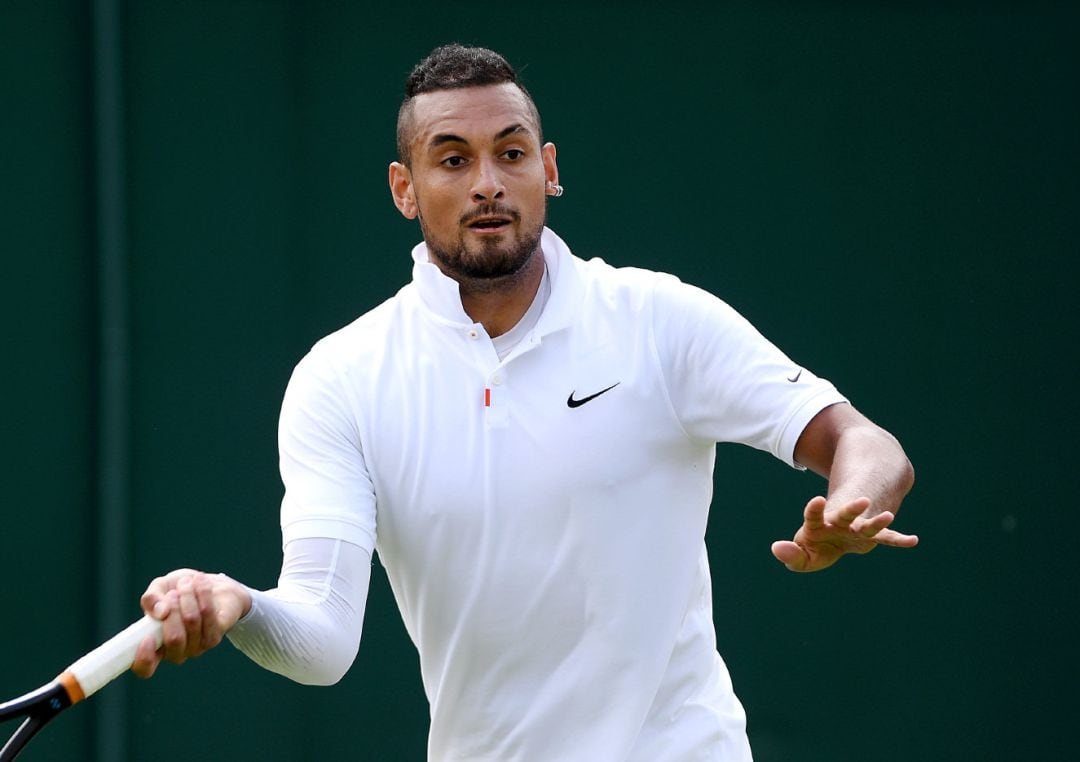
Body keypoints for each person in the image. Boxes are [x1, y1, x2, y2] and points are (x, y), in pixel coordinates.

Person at [133, 44, 916, 760]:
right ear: (404, 189)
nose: (486, 183)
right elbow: (322, 640)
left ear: (548, 169)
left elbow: (862, 442)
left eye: (510, 154)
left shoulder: (656, 320)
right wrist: (240, 608)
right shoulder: (340, 378)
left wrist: (854, 503)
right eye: (452, 159)